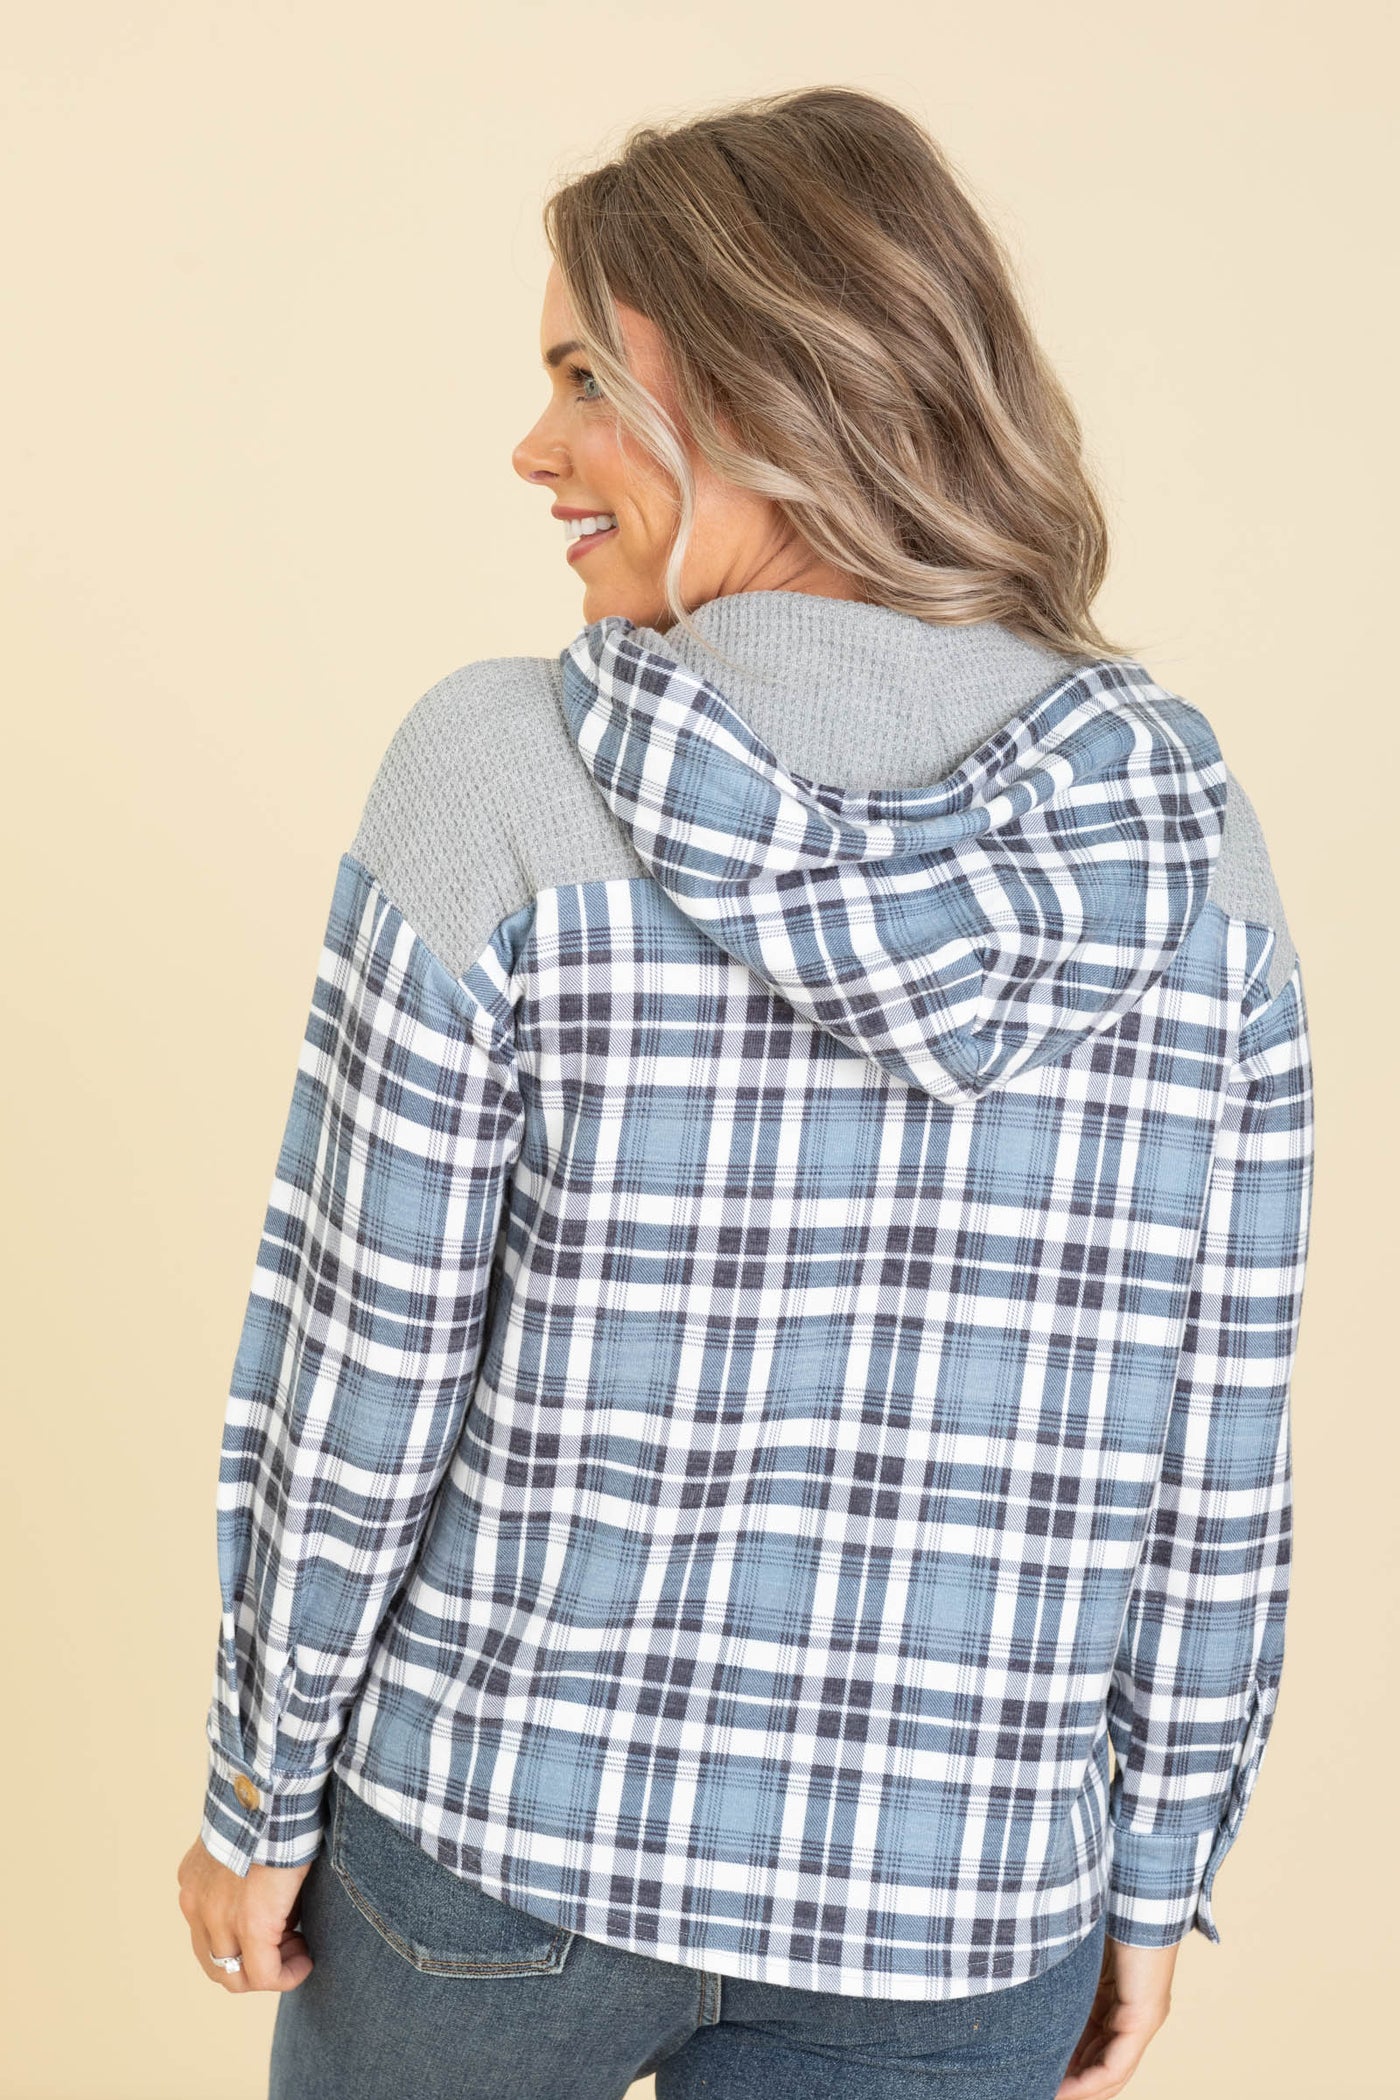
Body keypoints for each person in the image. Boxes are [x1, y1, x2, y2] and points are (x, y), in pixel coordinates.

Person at [176, 85, 1315, 2100]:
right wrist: (1154, 1877)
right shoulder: (1186, 847)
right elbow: (1214, 1451)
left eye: (583, 379)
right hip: (954, 1907)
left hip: (495, 1848)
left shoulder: (498, 773)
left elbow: (362, 1370)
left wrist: (259, 1788)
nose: (533, 448)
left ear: (773, 389)